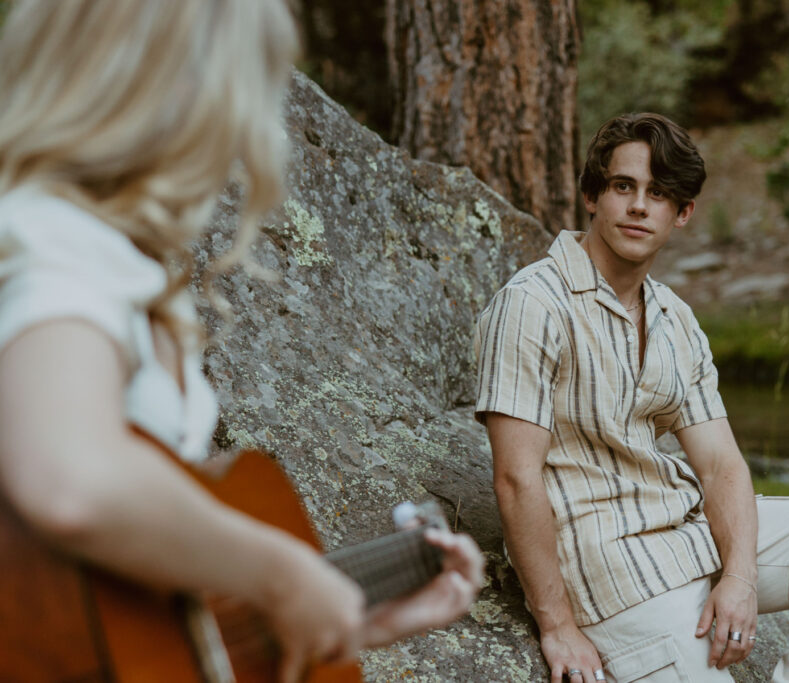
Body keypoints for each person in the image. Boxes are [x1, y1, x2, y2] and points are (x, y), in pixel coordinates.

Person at [0, 2, 483, 681]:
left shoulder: (126, 264)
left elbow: (130, 618)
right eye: (249, 85)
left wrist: (346, 621)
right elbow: (69, 481)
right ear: (162, 82)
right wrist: (281, 572)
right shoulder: (50, 237)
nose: (255, 129)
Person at [474, 112, 789, 683]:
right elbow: (515, 479)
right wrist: (558, 625)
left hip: (687, 537)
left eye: (660, 194)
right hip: (614, 575)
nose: (640, 206)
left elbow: (719, 466)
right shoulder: (532, 304)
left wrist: (738, 577)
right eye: (624, 186)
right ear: (592, 196)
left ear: (682, 213)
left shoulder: (674, 318)